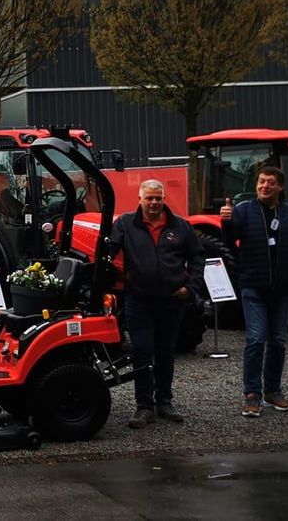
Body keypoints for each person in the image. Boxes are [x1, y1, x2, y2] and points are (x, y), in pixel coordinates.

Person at [220, 166, 288, 418]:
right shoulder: (243, 211)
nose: (265, 186)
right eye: (261, 182)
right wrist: (226, 222)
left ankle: (273, 391)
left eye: (270, 182)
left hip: (284, 288)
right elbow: (230, 241)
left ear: (280, 187)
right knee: (256, 338)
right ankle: (252, 394)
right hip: (253, 285)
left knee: (278, 340)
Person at [111, 179, 205, 428]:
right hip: (138, 300)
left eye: (158, 198)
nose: (154, 203)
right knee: (142, 351)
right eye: (149, 198)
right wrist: (117, 278)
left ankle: (164, 402)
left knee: (165, 352)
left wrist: (191, 288)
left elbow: (197, 257)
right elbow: (108, 252)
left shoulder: (180, 227)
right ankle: (144, 407)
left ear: (164, 199)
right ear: (140, 199)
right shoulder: (125, 225)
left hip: (172, 301)